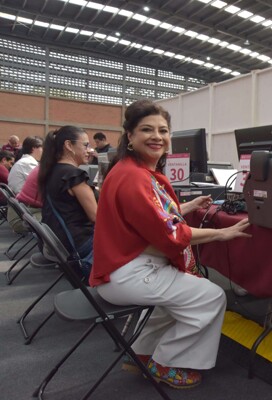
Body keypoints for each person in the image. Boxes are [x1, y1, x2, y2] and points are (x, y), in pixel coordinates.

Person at [90, 99, 250, 389]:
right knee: (211, 297)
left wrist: (185, 208)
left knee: (176, 297)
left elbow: (151, 218)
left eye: (163, 130)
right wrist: (220, 234)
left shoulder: (130, 170)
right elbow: (171, 235)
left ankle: (140, 353)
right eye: (147, 130)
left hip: (121, 268)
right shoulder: (134, 178)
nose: (157, 137)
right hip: (127, 272)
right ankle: (166, 363)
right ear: (130, 136)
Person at [38, 126, 96, 282]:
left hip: (61, 243)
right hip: (81, 244)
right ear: (69, 145)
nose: (89, 150)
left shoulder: (52, 171)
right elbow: (97, 217)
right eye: (85, 145)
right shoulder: (73, 175)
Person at [7, 166, 43, 233]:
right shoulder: (51, 171)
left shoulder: (40, 168)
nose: (11, 165)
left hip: (19, 211)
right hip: (22, 217)